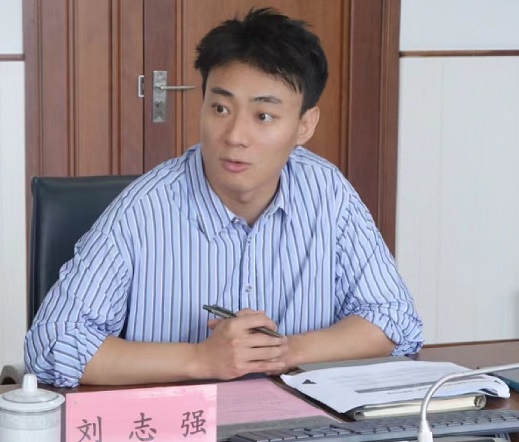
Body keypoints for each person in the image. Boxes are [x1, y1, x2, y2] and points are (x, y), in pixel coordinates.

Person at [25, 7, 423, 388]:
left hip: (297, 422)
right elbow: (51, 345)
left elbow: (394, 318)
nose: (234, 136)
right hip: (179, 426)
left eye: (263, 116)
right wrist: (202, 359)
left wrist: (285, 352)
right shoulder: (143, 209)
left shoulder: (327, 192)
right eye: (220, 108)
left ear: (305, 125)